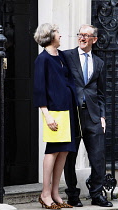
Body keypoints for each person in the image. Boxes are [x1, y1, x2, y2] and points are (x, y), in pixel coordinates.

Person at [64, 24, 113, 208]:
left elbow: (101, 93)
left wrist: (102, 116)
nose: (82, 38)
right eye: (80, 35)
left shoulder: (99, 63)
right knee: (70, 156)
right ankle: (72, 195)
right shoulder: (67, 56)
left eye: (86, 35)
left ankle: (97, 194)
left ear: (94, 39)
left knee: (98, 156)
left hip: (93, 116)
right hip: (72, 114)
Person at [33, 23, 78, 209]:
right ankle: (45, 194)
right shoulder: (42, 59)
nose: (61, 35)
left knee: (65, 150)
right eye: (58, 32)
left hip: (67, 109)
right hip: (53, 111)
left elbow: (69, 80)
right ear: (50, 36)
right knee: (52, 150)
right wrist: (47, 115)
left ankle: (55, 193)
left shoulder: (61, 56)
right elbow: (39, 88)